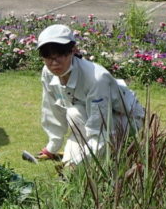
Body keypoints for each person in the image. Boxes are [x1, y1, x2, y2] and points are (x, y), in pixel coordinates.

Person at [34, 24, 145, 167]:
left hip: (126, 117)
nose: (54, 62)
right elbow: (51, 109)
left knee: (84, 155)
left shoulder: (97, 78)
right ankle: (76, 160)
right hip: (88, 112)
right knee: (72, 113)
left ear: (73, 50)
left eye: (60, 53)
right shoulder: (47, 72)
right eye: (47, 55)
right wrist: (52, 147)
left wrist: (77, 165)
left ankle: (108, 155)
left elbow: (98, 130)